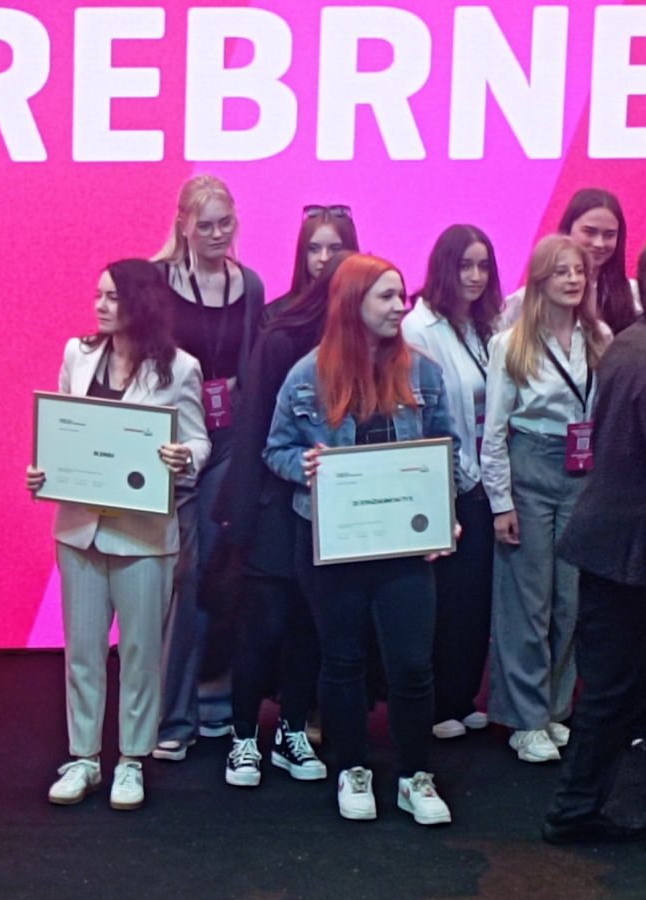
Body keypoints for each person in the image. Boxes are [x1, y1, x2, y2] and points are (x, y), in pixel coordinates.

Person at [264, 253, 457, 825]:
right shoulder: (307, 375)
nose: (401, 307)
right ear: (353, 303)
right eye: (387, 296)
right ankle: (353, 769)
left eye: (402, 296)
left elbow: (444, 449)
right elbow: (275, 449)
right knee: (342, 660)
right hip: (333, 543)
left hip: (404, 546)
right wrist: (303, 464)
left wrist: (444, 514)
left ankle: (415, 775)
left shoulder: (423, 373)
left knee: (412, 665)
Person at [28, 260, 208, 809]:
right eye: (98, 295)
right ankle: (84, 757)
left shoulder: (180, 369)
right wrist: (44, 471)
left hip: (144, 535)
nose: (100, 306)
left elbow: (199, 441)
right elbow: (62, 430)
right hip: (79, 529)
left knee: (140, 653)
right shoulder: (77, 354)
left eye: (112, 297)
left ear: (140, 302)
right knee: (82, 652)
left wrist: (183, 457)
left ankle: (131, 760)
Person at [543, 226, 646, 844]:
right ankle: (588, 811)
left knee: (611, 691)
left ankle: (577, 809)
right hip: (642, 556)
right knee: (620, 691)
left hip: (614, 547)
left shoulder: (632, 342)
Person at [216, 254, 356, 787]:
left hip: (335, 516)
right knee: (263, 626)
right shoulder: (282, 341)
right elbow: (253, 428)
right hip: (275, 509)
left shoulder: (372, 350)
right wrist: (241, 516)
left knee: (307, 627)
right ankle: (244, 736)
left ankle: (292, 730)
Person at [481, 234, 610, 764]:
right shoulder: (511, 343)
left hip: (582, 470)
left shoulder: (598, 336)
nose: (573, 279)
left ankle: (554, 708)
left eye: (579, 270)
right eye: (561, 271)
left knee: (570, 601)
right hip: (530, 465)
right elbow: (493, 432)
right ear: (539, 280)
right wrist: (500, 503)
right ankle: (524, 718)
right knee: (527, 602)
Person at [150, 174, 266, 759]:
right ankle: (169, 712)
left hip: (227, 440)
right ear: (183, 225)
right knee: (178, 573)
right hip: (168, 438)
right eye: (206, 225)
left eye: (226, 223)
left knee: (219, 570)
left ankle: (212, 698)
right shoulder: (157, 280)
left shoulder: (250, 284)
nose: (218, 234)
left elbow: (252, 366)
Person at [403, 225, 505, 741]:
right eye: (465, 265)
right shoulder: (419, 327)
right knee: (443, 598)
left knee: (474, 597)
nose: (475, 276)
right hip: (445, 480)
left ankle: (462, 695)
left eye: (483, 265)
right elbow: (427, 415)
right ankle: (437, 701)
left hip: (487, 481)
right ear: (444, 267)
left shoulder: (489, 325)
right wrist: (457, 476)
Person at [505, 188, 640, 333]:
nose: (599, 243)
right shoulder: (528, 298)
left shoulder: (633, 294)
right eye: (589, 232)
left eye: (609, 235)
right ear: (568, 229)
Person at [265, 205, 359, 324]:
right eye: (314, 249)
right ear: (303, 252)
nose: (324, 258)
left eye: (335, 249)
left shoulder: (367, 313)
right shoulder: (273, 316)